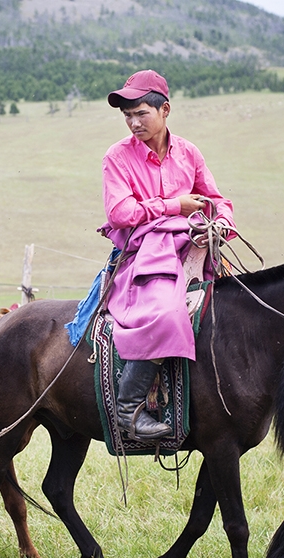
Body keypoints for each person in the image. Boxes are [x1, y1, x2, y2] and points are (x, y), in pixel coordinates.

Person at [99, 69, 236, 441]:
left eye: (141, 112)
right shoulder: (117, 157)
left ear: (165, 110)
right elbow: (120, 214)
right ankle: (129, 409)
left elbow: (217, 198)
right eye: (127, 115)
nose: (133, 122)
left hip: (194, 248)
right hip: (145, 255)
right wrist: (175, 205)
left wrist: (221, 220)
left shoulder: (188, 152)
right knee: (166, 313)